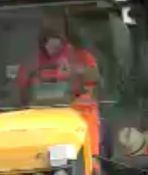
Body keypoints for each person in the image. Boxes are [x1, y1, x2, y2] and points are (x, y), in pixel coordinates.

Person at [16, 12, 102, 161]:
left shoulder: (82, 57)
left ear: (66, 30)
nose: (51, 33)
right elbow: (20, 96)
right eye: (46, 28)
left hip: (81, 129)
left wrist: (75, 70)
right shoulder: (30, 62)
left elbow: (95, 78)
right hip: (40, 131)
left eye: (55, 27)